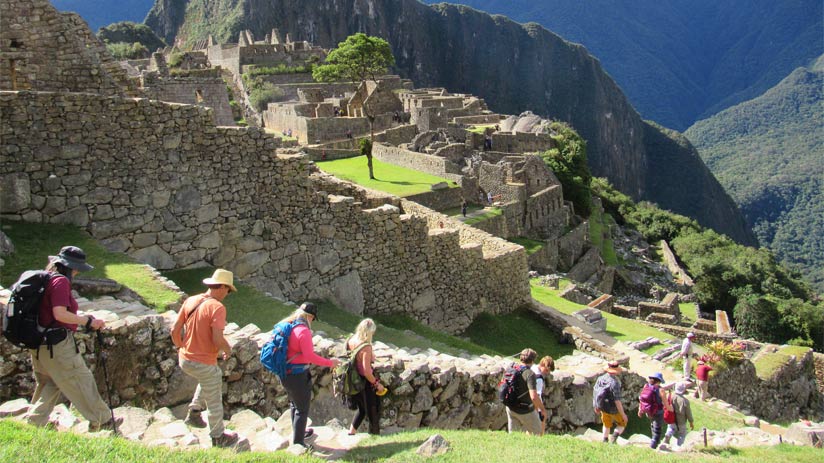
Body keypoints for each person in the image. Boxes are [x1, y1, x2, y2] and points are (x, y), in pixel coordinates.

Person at [23, 246, 119, 432]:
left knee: (51, 382)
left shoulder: (45, 278)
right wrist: (87, 321)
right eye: (76, 268)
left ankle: (34, 421)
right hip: (56, 343)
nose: (76, 272)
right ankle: (102, 420)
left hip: (39, 341)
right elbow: (59, 314)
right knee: (80, 378)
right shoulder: (60, 283)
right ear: (70, 267)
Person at [171, 268, 238, 448]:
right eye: (228, 290)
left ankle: (194, 411)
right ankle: (218, 436)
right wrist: (227, 349)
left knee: (209, 377)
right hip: (202, 361)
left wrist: (180, 347)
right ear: (222, 287)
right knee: (215, 398)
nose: (227, 294)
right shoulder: (217, 307)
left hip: (185, 358)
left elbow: (175, 330)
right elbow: (217, 338)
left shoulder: (191, 300)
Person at [280, 302, 340, 449]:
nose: (312, 321)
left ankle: (298, 432)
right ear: (310, 316)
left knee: (295, 404)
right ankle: (299, 443)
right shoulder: (303, 331)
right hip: (298, 374)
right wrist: (329, 362)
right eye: (313, 318)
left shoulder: (289, 325)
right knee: (302, 408)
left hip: (285, 373)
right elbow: (309, 356)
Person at [346, 319, 386, 436]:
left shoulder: (351, 340)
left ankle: (351, 432)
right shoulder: (366, 347)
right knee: (372, 410)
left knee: (362, 408)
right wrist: (377, 384)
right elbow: (367, 371)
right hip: (364, 382)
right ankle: (374, 435)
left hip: (353, 379)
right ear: (369, 332)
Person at [505, 348, 544, 435]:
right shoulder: (530, 374)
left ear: (520, 358)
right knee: (537, 432)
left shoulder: (511, 368)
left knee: (514, 435)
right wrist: (541, 409)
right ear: (533, 360)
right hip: (524, 409)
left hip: (510, 406)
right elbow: (533, 396)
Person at [593, 361, 628, 444]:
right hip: (613, 408)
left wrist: (596, 405)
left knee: (606, 424)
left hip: (603, 407)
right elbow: (617, 400)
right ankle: (614, 437)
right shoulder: (614, 383)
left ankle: (605, 440)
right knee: (622, 424)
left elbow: (595, 392)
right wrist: (623, 415)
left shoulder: (600, 378)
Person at [638, 372, 666, 449]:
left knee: (652, 425)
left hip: (648, 410)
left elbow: (642, 399)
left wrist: (640, 410)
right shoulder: (661, 390)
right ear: (658, 381)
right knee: (657, 430)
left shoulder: (646, 386)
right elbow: (666, 404)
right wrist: (671, 410)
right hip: (658, 411)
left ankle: (653, 440)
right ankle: (653, 446)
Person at [663, 381, 694, 449]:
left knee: (671, 428)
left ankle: (668, 435)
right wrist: (691, 422)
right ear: (683, 390)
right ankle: (679, 446)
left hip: (671, 418)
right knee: (682, 434)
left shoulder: (670, 396)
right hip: (681, 421)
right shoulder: (685, 401)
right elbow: (688, 413)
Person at [531, 355, 555, 435]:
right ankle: (540, 437)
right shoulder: (539, 378)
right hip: (534, 403)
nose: (547, 373)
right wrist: (541, 410)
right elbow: (537, 395)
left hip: (525, 400)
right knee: (542, 419)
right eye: (547, 370)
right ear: (542, 365)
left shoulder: (532, 368)